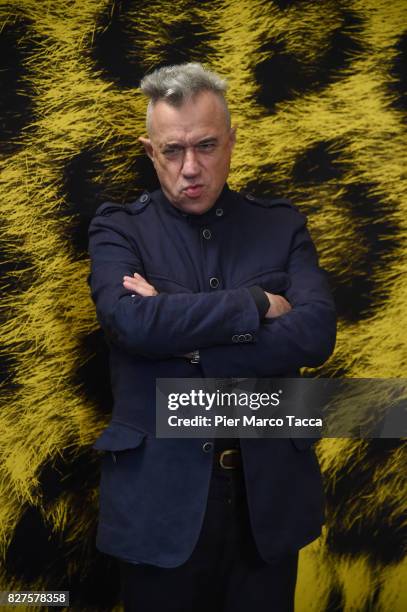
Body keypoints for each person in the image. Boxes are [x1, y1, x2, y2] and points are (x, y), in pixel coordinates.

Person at [87, 62, 336, 612]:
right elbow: (130, 324)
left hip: (267, 504)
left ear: (231, 141)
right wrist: (255, 305)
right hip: (158, 507)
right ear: (150, 152)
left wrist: (178, 330)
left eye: (206, 145)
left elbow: (316, 335)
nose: (191, 168)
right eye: (172, 151)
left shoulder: (281, 225)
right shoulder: (118, 229)